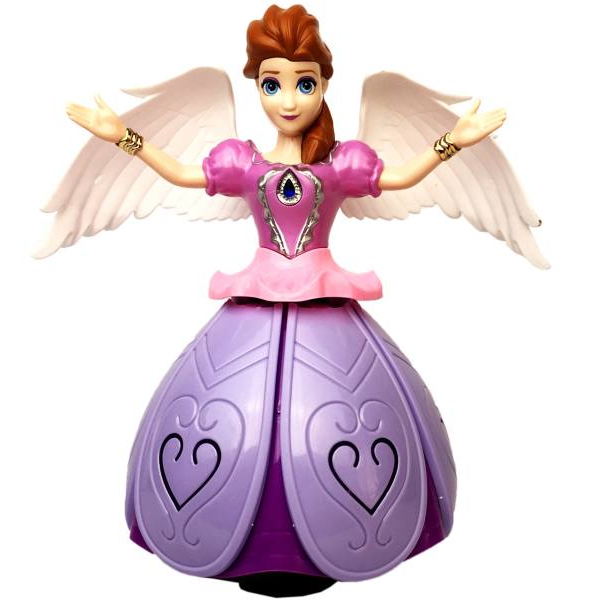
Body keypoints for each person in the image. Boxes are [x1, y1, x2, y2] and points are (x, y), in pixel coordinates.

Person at [41, 4, 545, 597]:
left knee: (348, 414)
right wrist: (122, 137)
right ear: (256, 86)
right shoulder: (242, 164)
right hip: (254, 300)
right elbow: (179, 174)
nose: (288, 100)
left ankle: (345, 535)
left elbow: (401, 178)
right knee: (223, 415)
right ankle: (235, 538)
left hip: (325, 300)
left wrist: (451, 141)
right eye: (272, 84)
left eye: (304, 84)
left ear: (324, 85)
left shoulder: (341, 165)